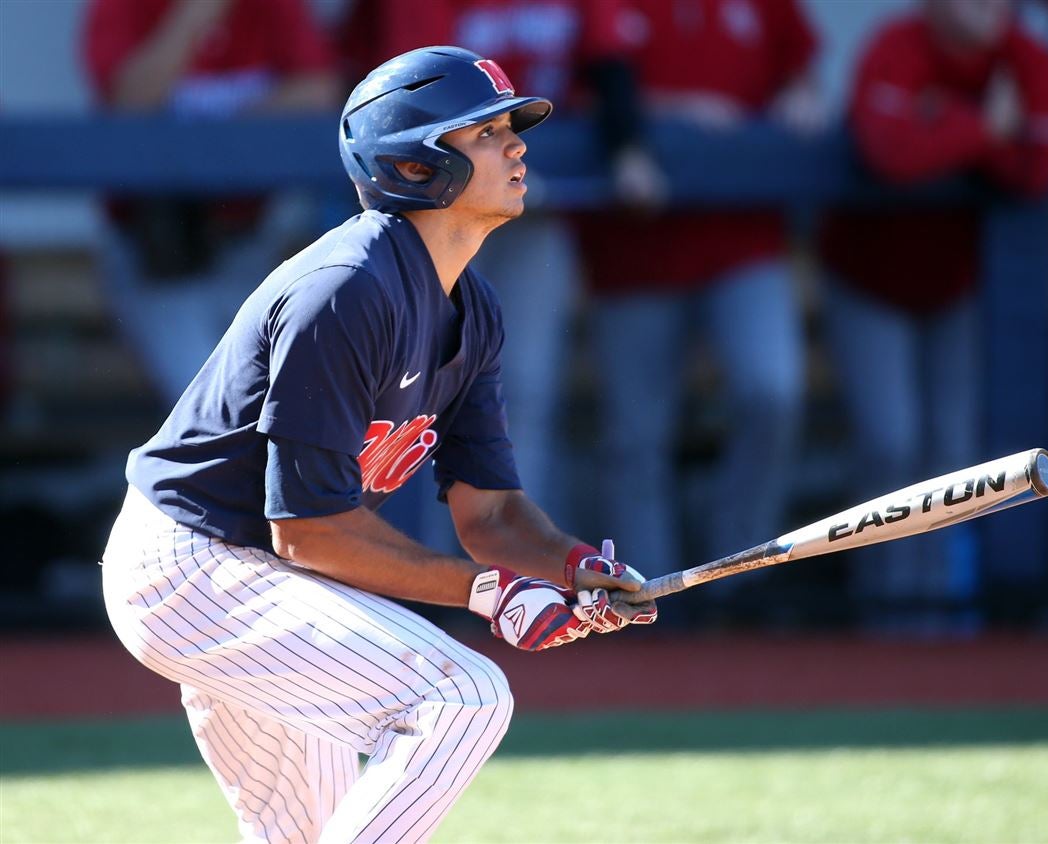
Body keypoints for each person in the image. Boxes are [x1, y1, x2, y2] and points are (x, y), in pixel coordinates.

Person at [100, 46, 657, 843]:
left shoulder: (471, 303)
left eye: (511, 127)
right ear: (417, 165)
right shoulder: (345, 288)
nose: (517, 145)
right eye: (486, 131)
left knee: (310, 830)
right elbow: (309, 531)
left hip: (263, 575)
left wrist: (571, 567)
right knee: (460, 696)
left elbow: (492, 511)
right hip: (194, 568)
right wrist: (490, 593)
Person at [336, 0, 644, 529]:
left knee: (523, 389)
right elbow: (410, 105)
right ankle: (419, 563)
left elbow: (608, 64)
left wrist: (625, 148)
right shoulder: (336, 283)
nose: (516, 145)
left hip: (535, 215)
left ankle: (524, 565)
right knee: (408, 404)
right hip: (432, 202)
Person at [817, 0, 1048, 634]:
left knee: (953, 455)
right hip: (868, 275)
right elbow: (889, 153)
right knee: (891, 442)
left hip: (954, 283)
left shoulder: (1025, 56)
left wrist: (944, 125)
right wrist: (984, 130)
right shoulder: (898, 43)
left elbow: (1038, 169)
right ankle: (885, 614)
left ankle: (938, 621)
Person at [574, 0, 825, 612]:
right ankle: (645, 601)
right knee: (636, 437)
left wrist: (800, 96)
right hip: (635, 247)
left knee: (773, 388)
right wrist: (673, 114)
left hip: (742, 237)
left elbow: (801, 68)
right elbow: (581, 95)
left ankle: (740, 578)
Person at [82, 0, 340, 406]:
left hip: (250, 239)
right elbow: (130, 101)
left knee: (272, 401)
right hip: (159, 245)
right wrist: (198, 12)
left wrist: (213, 135)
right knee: (209, 405)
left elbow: (318, 90)